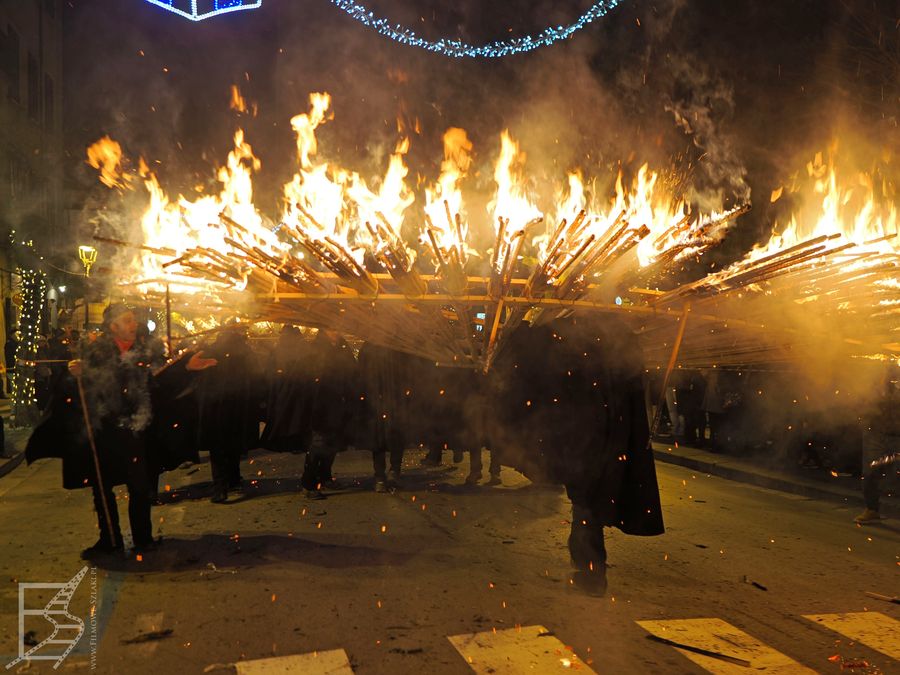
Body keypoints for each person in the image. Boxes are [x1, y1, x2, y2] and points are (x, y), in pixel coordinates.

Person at [492, 313, 664, 596]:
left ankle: (592, 573)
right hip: (609, 433)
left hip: (587, 434)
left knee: (585, 501)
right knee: (588, 499)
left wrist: (523, 325)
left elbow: (530, 363)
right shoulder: (616, 333)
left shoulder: (568, 333)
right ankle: (590, 568)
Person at [25, 303, 216, 557]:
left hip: (137, 430)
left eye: (133, 319)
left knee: (140, 487)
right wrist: (75, 374)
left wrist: (185, 369)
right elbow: (83, 388)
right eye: (127, 320)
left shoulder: (144, 351)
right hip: (104, 431)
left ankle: (143, 538)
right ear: (113, 326)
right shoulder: (95, 352)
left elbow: (158, 385)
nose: (133, 324)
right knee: (102, 489)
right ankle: (110, 539)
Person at [197, 325, 262, 503]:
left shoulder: (211, 351)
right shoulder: (244, 351)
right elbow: (257, 374)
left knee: (218, 449)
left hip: (216, 407)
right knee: (232, 445)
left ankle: (220, 487)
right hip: (237, 407)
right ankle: (233, 480)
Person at [301, 330, 357, 499]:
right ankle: (308, 484)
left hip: (338, 404)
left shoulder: (342, 346)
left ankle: (325, 477)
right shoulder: (316, 348)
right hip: (320, 405)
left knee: (332, 445)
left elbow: (352, 369)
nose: (336, 331)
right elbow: (309, 376)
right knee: (318, 445)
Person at [359, 342, 413, 492]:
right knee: (382, 439)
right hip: (381, 400)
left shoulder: (399, 346)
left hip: (390, 399)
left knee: (389, 437)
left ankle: (387, 475)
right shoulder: (397, 346)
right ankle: (384, 475)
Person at [855, 363, 899, 523]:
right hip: (876, 434)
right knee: (870, 473)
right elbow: (863, 404)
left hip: (897, 435)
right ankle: (871, 509)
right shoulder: (873, 384)